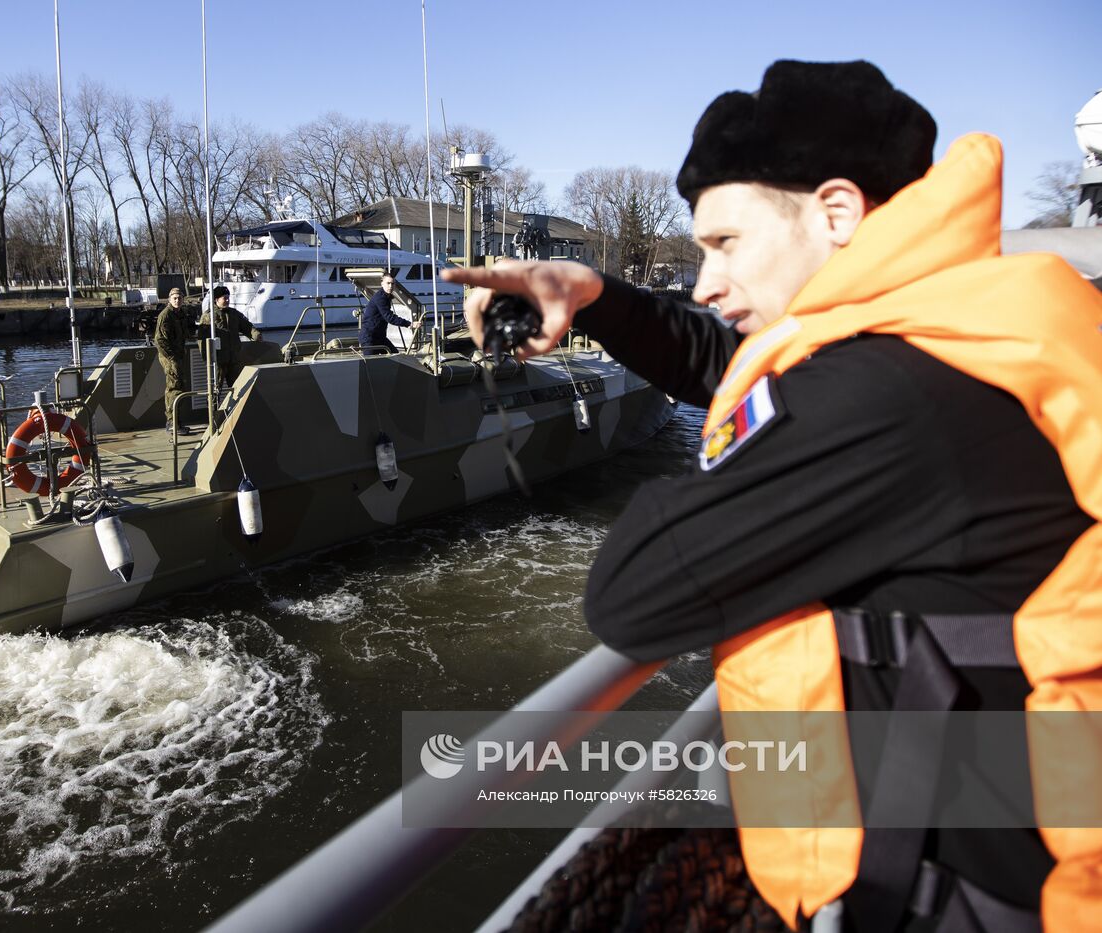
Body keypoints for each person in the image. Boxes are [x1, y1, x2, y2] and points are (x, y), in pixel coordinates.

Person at [444, 60, 1102, 933]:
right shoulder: (961, 325)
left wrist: (750, 456)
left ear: (836, 211)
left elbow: (632, 594)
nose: (706, 283)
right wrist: (595, 295)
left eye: (725, 245)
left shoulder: (892, 391)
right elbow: (733, 368)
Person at [200, 284, 262, 386]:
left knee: (236, 386)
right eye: (225, 298)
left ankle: (235, 402)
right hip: (218, 360)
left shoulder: (234, 314)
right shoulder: (208, 316)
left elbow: (246, 326)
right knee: (215, 388)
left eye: (228, 298)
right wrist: (207, 358)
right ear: (216, 299)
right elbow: (202, 339)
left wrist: (256, 334)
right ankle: (214, 402)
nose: (227, 300)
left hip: (233, 359)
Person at [153, 287, 196, 429]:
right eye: (175, 298)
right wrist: (171, 358)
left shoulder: (181, 314)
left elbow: (185, 333)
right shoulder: (165, 315)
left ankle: (176, 420)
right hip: (170, 357)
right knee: (174, 387)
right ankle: (172, 421)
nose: (177, 301)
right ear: (170, 300)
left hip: (178, 355)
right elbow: (159, 340)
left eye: (180, 298)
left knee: (180, 387)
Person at [359, 273, 411, 355]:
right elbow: (389, 317)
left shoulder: (387, 297)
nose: (390, 286)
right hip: (369, 337)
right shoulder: (380, 298)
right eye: (388, 283)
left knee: (395, 355)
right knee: (370, 363)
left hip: (380, 337)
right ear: (382, 284)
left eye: (392, 283)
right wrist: (409, 324)